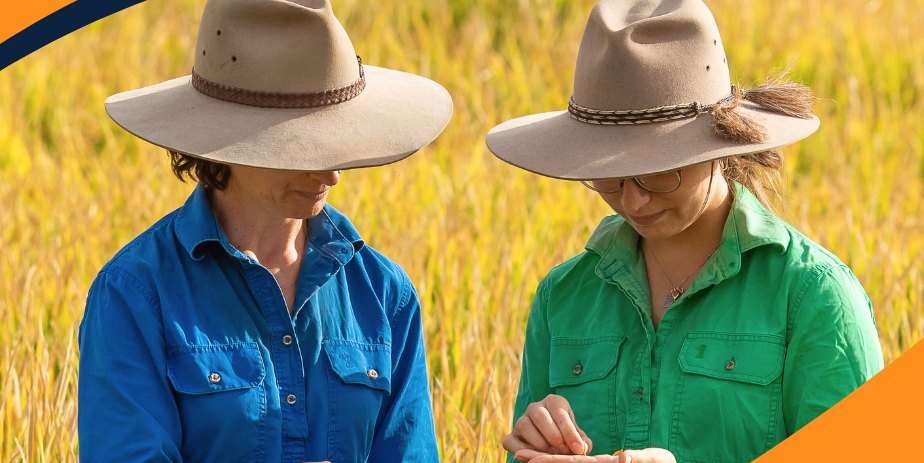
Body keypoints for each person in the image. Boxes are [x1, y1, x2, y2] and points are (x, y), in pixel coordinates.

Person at [485, 0, 884, 462]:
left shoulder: (815, 297)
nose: (632, 201)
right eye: (607, 176)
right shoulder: (563, 296)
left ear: (718, 144)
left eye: (658, 173)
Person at [77, 0, 452, 461]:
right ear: (227, 142)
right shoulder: (134, 294)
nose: (332, 175)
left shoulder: (385, 294)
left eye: (336, 143)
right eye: (303, 147)